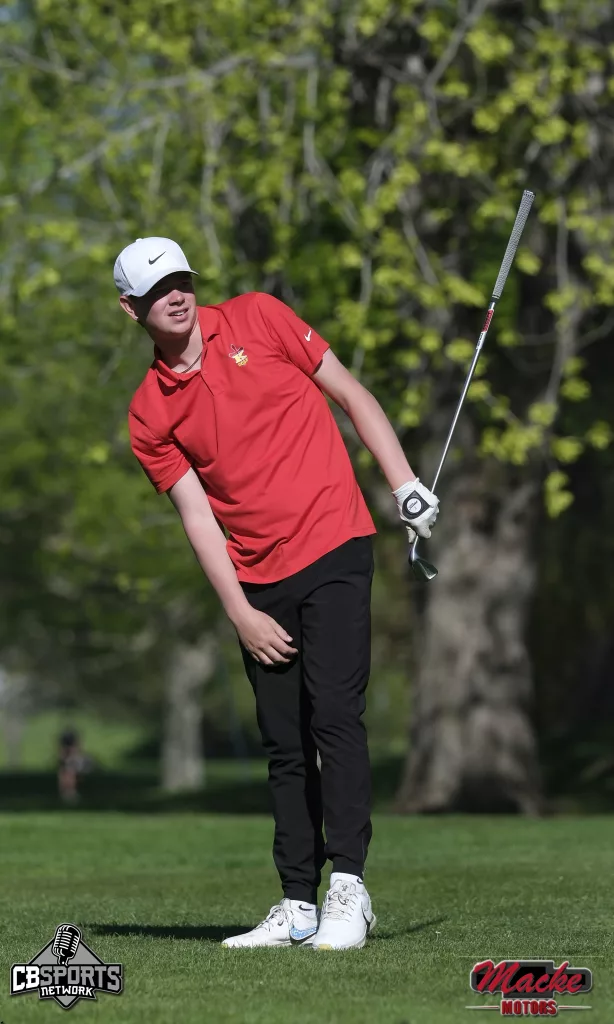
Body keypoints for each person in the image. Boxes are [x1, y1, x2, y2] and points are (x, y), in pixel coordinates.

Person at [115, 237, 439, 950]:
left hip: (335, 541)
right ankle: (297, 904)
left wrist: (405, 485)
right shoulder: (149, 413)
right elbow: (197, 516)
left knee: (335, 717)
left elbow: (350, 392)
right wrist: (240, 611)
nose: (176, 295)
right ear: (131, 309)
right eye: (157, 290)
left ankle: (348, 888)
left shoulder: (259, 317)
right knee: (284, 744)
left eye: (181, 280)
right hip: (257, 578)